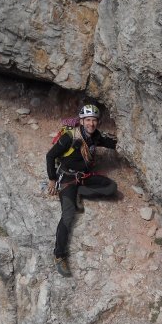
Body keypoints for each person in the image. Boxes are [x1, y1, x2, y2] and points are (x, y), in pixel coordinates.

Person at [46, 104, 118, 277]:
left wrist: (128, 144)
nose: (91, 124)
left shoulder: (95, 136)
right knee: (68, 215)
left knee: (111, 188)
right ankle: (59, 255)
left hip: (83, 177)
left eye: (94, 120)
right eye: (88, 120)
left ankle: (80, 193)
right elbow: (50, 155)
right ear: (82, 121)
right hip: (67, 179)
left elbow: (110, 143)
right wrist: (52, 179)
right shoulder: (69, 137)